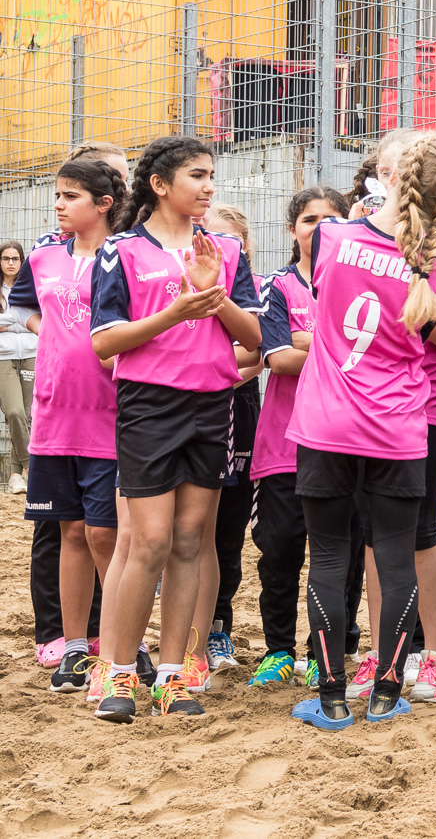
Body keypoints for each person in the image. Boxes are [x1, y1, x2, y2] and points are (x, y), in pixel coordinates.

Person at [285, 131, 436, 729]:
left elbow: (323, 304)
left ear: (392, 177)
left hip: (328, 419)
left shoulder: (334, 236)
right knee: (396, 554)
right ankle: (388, 691)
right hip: (398, 423)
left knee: (331, 554)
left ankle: (333, 693)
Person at [89, 136, 263, 721]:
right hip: (149, 406)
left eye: (211, 174)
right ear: (160, 185)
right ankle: (117, 675)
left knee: (192, 540)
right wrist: (174, 311)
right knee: (151, 541)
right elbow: (104, 341)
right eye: (197, 174)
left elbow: (257, 339)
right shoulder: (121, 250)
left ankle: (173, 677)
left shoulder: (227, 248)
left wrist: (213, 299)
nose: (209, 185)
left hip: (213, 405)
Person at [12, 160, 125, 695]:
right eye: (58, 195)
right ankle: (75, 648)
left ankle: (124, 644)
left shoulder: (125, 253)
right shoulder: (43, 254)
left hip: (112, 412)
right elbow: (27, 308)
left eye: (71, 195)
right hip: (55, 414)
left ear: (103, 203)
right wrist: (54, 332)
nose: (58, 204)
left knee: (107, 534)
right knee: (70, 532)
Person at [248, 186, 363, 692]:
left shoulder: (360, 282)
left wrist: (306, 341)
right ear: (292, 229)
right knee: (279, 552)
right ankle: (278, 650)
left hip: (346, 442)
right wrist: (333, 345)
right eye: (308, 219)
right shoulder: (277, 286)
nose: (319, 227)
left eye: (330, 219)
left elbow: (366, 354)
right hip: (283, 445)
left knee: (341, 553)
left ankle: (328, 651)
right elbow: (276, 359)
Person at [191, 203, 262, 679]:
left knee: (228, 532)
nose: (214, 246)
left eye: (227, 240)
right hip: (188, 413)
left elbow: (256, 353)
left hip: (237, 411)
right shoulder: (182, 280)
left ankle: (218, 628)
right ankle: (184, 638)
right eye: (207, 235)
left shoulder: (247, 293)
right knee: (187, 533)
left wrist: (209, 372)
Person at [0, 240, 36, 495]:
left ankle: (15, 476)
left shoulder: (30, 287)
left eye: (15, 258)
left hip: (33, 354)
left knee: (28, 416)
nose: (11, 263)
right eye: (5, 258)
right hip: (3, 357)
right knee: (14, 413)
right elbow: (26, 318)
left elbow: (40, 316)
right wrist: (21, 319)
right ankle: (31, 467)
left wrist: (7, 321)